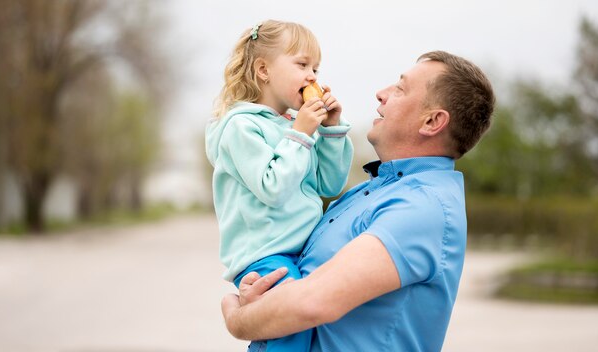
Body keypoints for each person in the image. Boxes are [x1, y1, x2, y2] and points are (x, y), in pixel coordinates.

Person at [221, 50, 496, 352]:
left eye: (400, 89)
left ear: (432, 121)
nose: (381, 94)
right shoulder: (371, 191)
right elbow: (297, 283)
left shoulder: (422, 206)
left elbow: (313, 301)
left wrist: (238, 316)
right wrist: (262, 293)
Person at [205, 20, 354, 352]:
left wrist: (330, 132)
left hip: (301, 250)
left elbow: (329, 184)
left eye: (315, 67)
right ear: (263, 70)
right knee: (291, 329)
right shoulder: (241, 128)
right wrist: (300, 134)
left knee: (303, 330)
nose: (313, 75)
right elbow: (272, 187)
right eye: (302, 64)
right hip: (266, 253)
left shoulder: (290, 126)